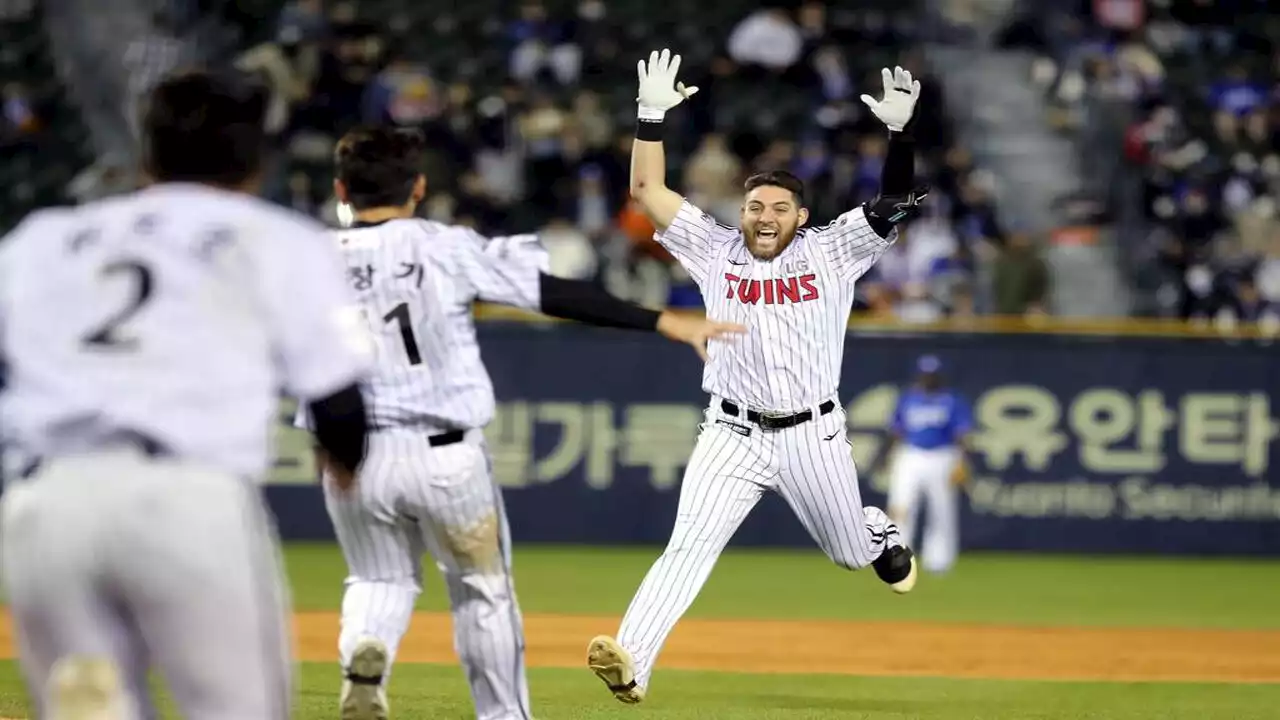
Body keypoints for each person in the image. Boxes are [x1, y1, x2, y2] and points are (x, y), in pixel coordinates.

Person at [296, 125, 742, 720]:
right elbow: (551, 292)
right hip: (446, 456)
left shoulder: (308, 261)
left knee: (377, 579)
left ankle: (365, 650)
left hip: (354, 453)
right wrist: (662, 320)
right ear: (420, 187)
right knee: (483, 594)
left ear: (340, 189)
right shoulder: (445, 247)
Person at [0, 70, 372, 720]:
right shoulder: (275, 239)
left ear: (146, 157)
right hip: (187, 503)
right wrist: (346, 463)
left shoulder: (45, 238)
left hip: (46, 505)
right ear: (258, 159)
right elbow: (339, 402)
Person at [585, 50, 930, 704]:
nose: (764, 216)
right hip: (731, 432)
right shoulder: (714, 248)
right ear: (740, 213)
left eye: (777, 208)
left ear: (800, 217)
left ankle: (878, 532)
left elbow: (893, 200)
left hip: (812, 436)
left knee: (851, 553)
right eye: (754, 207)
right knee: (687, 548)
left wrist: (900, 136)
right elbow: (646, 193)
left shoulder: (831, 249)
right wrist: (650, 116)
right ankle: (631, 661)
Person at [871, 355, 973, 574]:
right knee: (901, 506)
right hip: (910, 455)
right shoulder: (908, 399)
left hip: (943, 456)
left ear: (939, 377)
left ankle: (939, 561)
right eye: (926, 375)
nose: (928, 380)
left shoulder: (952, 400)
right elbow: (896, 430)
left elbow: (962, 434)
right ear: (919, 375)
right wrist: (883, 457)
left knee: (942, 509)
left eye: (932, 376)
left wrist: (963, 460)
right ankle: (897, 556)